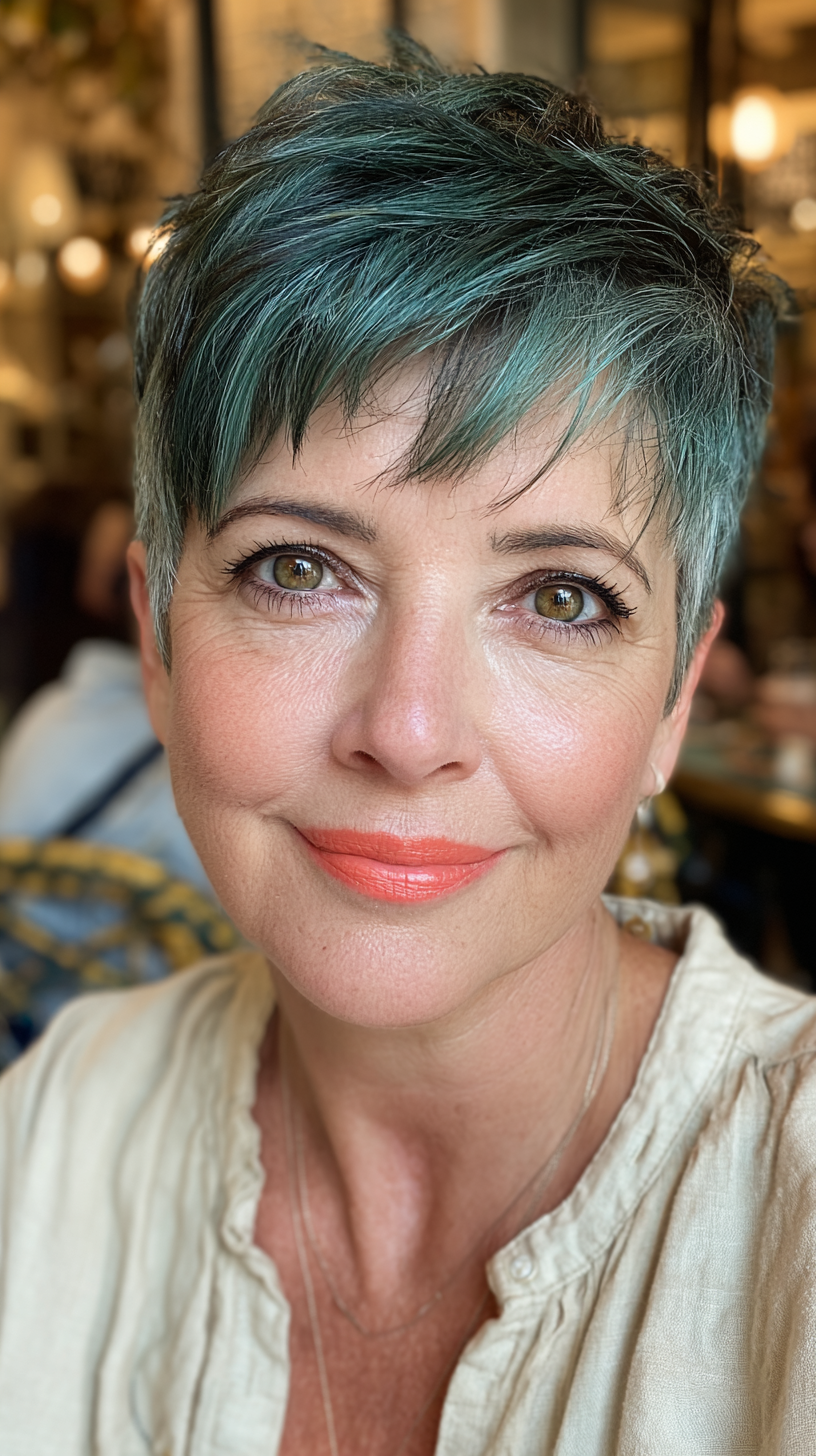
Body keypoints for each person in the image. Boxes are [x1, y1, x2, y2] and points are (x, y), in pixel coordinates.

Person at [0, 40, 806, 1455]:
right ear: (158, 639)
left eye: (562, 597)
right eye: (298, 569)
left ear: (676, 698)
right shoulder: (54, 1131)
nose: (409, 731)